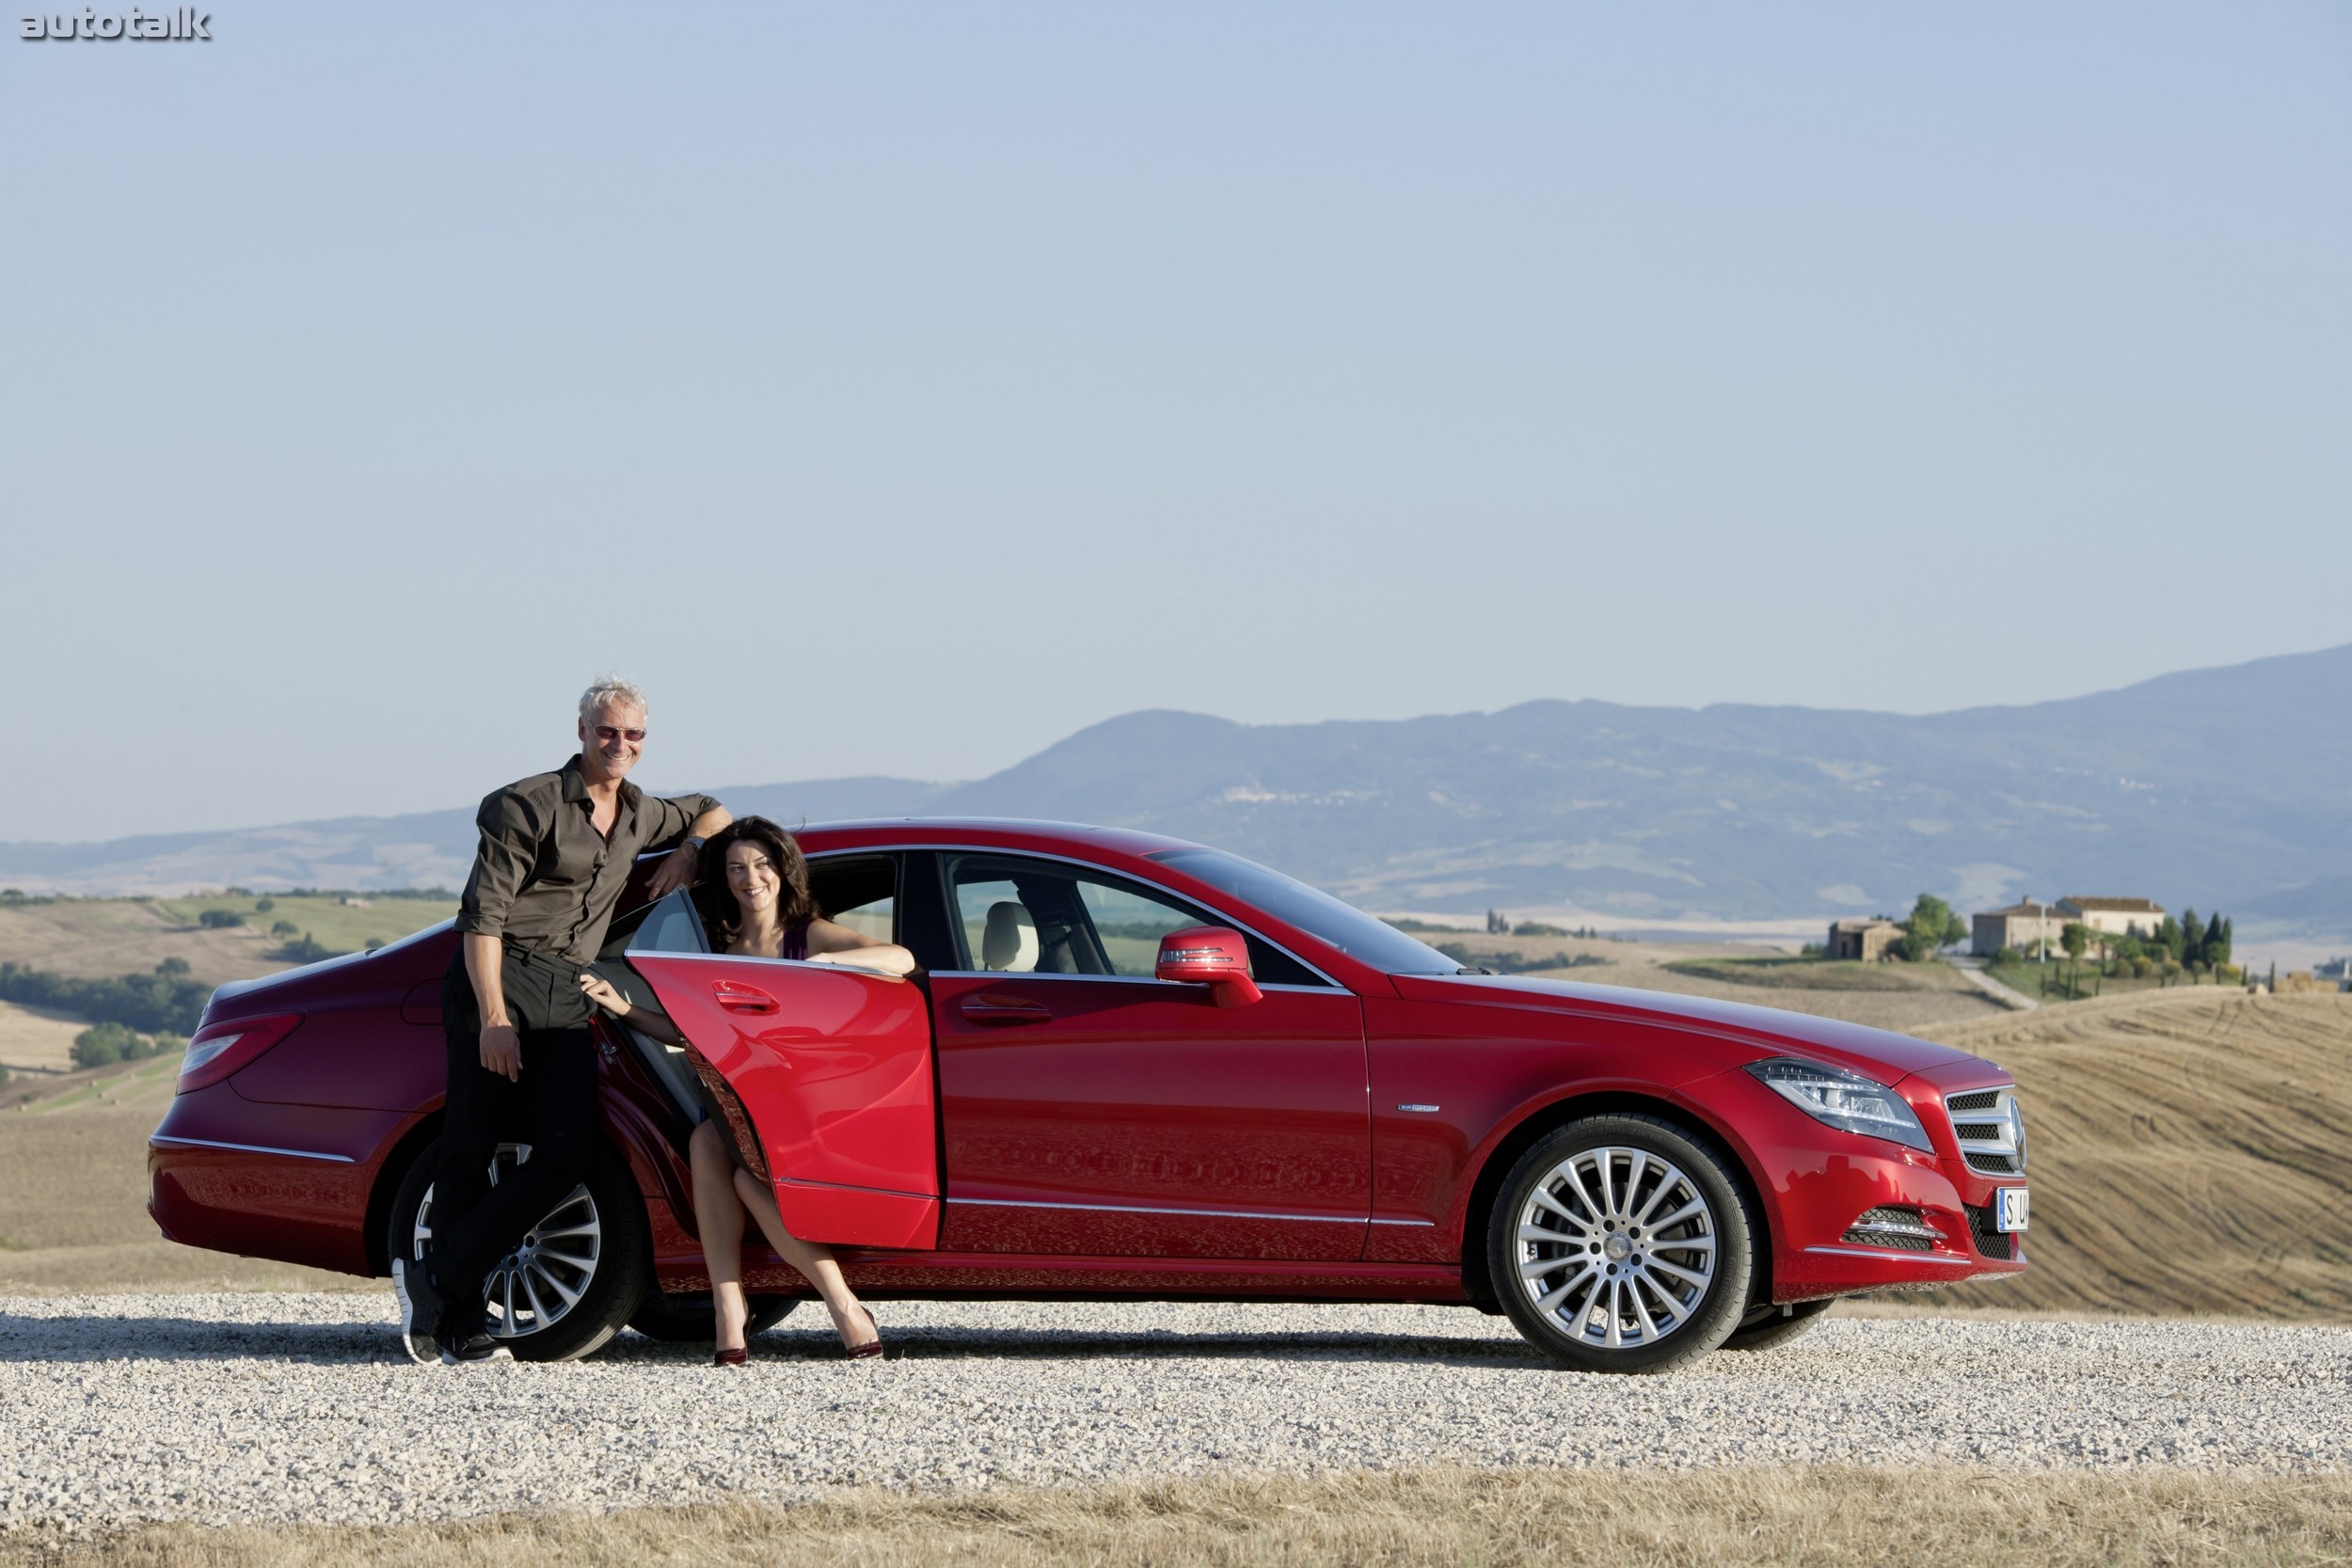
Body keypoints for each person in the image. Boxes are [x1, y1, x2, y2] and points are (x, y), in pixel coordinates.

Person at [394, 676, 731, 1365]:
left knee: (566, 1151)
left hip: (568, 984)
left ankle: (436, 1277)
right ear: (580, 731)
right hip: (501, 972)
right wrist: (493, 1017)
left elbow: (716, 810)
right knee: (472, 1140)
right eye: (607, 731)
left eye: (633, 735)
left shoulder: (642, 813)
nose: (620, 745)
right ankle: (457, 1321)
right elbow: (482, 917)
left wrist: (691, 851)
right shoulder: (528, 803)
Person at [578, 816, 914, 1364]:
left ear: (782, 870)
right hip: (735, 1098)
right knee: (708, 1142)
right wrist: (622, 1007)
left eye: (760, 864)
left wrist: (825, 966)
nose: (749, 877)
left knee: (737, 1170)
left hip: (794, 1108)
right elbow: (689, 1033)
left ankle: (815, 1304)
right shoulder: (720, 946)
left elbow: (900, 960)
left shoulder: (810, 933)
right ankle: (751, 1305)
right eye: (736, 868)